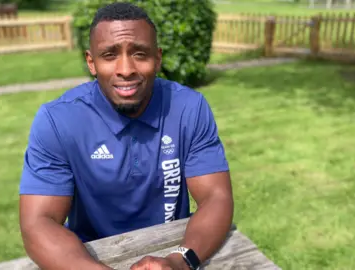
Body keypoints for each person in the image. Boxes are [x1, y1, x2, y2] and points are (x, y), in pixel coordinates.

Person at [18, 2, 234, 270]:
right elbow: (38, 222)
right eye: (109, 55)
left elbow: (217, 197)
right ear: (91, 62)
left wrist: (180, 261)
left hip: (173, 247)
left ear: (158, 58)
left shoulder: (189, 108)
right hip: (89, 256)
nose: (126, 69)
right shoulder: (57, 121)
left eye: (140, 54)